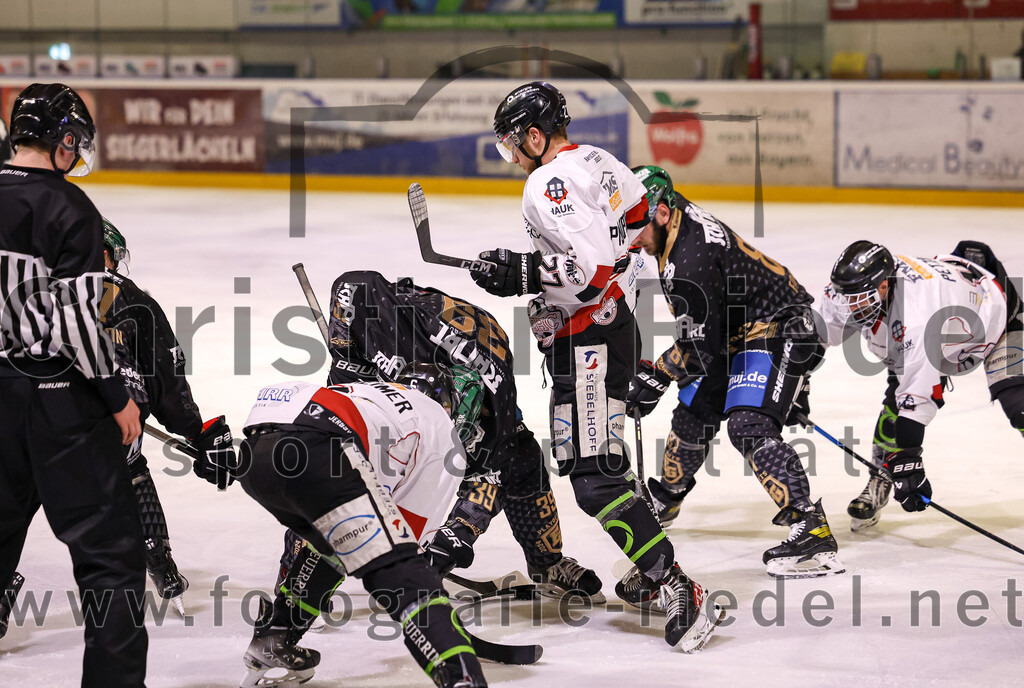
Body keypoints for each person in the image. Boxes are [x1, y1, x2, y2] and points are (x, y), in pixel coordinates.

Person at [469, 81, 723, 651]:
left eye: (514, 142)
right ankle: (653, 566)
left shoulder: (546, 182)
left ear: (535, 136)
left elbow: (584, 272)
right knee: (596, 457)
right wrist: (608, 299)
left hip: (587, 345)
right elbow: (636, 230)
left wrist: (523, 274)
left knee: (593, 477)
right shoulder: (602, 160)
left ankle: (677, 585)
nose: (512, 154)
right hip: (610, 331)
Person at [324, 269, 603, 601]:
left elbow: (489, 481)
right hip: (408, 375)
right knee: (346, 474)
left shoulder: (495, 400)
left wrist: (451, 543)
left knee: (523, 460)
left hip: (461, 374)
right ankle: (314, 582)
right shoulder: (381, 321)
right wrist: (345, 361)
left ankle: (548, 564)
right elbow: (352, 286)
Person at [620, 165, 843, 581]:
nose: (631, 236)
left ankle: (811, 527)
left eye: (636, 226)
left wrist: (658, 374)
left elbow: (698, 349)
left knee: (748, 426)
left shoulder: (688, 259)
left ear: (663, 214)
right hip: (735, 331)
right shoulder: (674, 218)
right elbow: (704, 333)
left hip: (781, 326)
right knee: (693, 413)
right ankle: (667, 496)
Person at [0, 82, 146, 685]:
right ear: (62, 139)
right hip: (58, 401)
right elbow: (77, 321)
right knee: (110, 561)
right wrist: (116, 397)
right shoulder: (69, 206)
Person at [232, 365, 489, 688]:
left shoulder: (376, 395)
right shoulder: (438, 426)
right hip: (318, 450)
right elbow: (406, 542)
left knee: (340, 544)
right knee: (405, 573)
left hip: (256, 452)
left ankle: (275, 636)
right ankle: (460, 677)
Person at [817, 240, 1023, 529]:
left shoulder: (917, 316)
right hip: (942, 327)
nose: (849, 305)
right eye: (846, 296)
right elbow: (818, 336)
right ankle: (881, 478)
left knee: (1020, 408)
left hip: (999, 318)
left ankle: (888, 470)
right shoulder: (851, 290)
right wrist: (792, 384)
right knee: (894, 414)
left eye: (858, 298)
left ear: (885, 287)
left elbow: (917, 400)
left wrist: (909, 460)